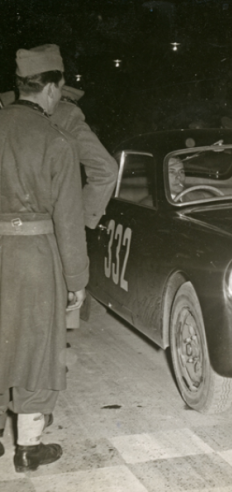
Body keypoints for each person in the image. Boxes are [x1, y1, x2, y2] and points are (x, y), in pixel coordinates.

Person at [0, 44, 88, 471]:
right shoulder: (57, 141)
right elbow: (69, 220)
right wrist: (77, 280)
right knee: (37, 346)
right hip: (36, 258)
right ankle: (28, 449)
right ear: (51, 88)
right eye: (59, 90)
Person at [0, 85, 118, 230]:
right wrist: (78, 223)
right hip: (39, 233)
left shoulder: (6, 110)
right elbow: (105, 168)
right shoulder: (63, 114)